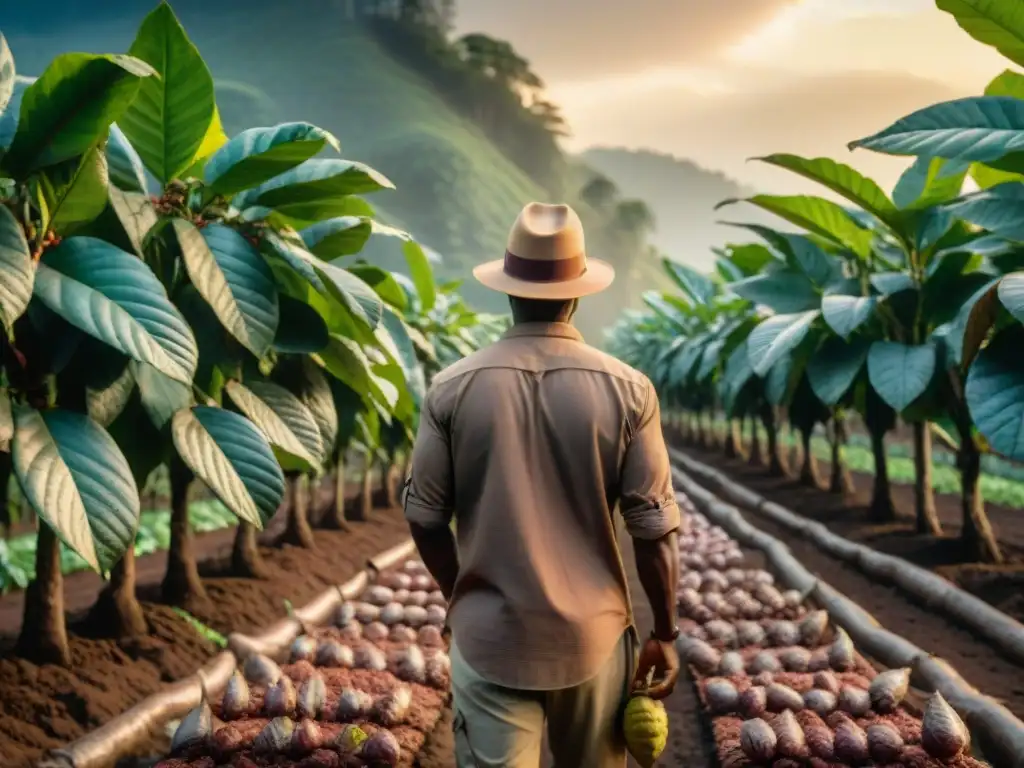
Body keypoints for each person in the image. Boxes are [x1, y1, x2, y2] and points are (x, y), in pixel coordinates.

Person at [402, 202, 681, 767]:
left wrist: (462, 595)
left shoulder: (451, 389)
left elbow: (425, 518)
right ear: (578, 293)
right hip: (594, 641)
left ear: (508, 291)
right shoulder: (629, 390)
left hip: (490, 638)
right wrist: (666, 632)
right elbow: (652, 530)